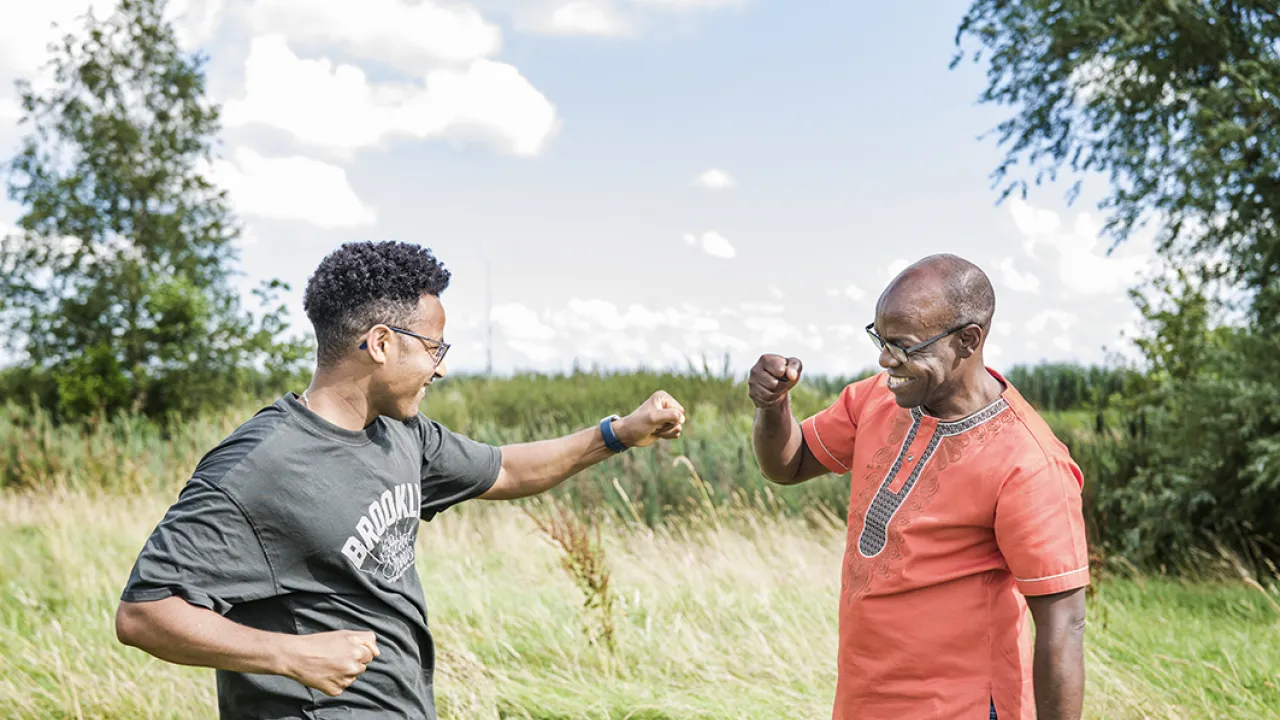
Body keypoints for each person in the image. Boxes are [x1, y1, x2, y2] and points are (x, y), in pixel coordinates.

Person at [114, 240, 686, 719]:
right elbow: (144, 613)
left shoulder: (401, 435)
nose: (441, 365)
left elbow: (506, 467)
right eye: (434, 347)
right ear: (381, 343)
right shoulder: (259, 465)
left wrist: (620, 433)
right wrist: (291, 656)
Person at [749, 254, 1089, 720]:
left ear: (968, 340)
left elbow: (1063, 628)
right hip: (864, 700)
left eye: (904, 346)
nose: (887, 360)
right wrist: (773, 406)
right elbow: (789, 463)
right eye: (881, 339)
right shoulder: (875, 398)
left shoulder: (1029, 464)